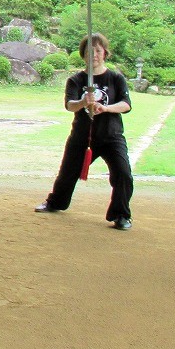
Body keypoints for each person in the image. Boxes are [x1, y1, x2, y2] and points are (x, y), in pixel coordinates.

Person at [35, 32, 134, 229]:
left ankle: (121, 215)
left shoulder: (115, 78)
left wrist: (105, 108)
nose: (94, 55)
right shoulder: (76, 80)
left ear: (105, 53)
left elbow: (126, 104)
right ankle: (56, 202)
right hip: (82, 137)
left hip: (111, 136)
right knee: (67, 174)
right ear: (83, 54)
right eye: (89, 51)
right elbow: (69, 105)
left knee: (123, 174)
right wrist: (83, 102)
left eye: (98, 51)